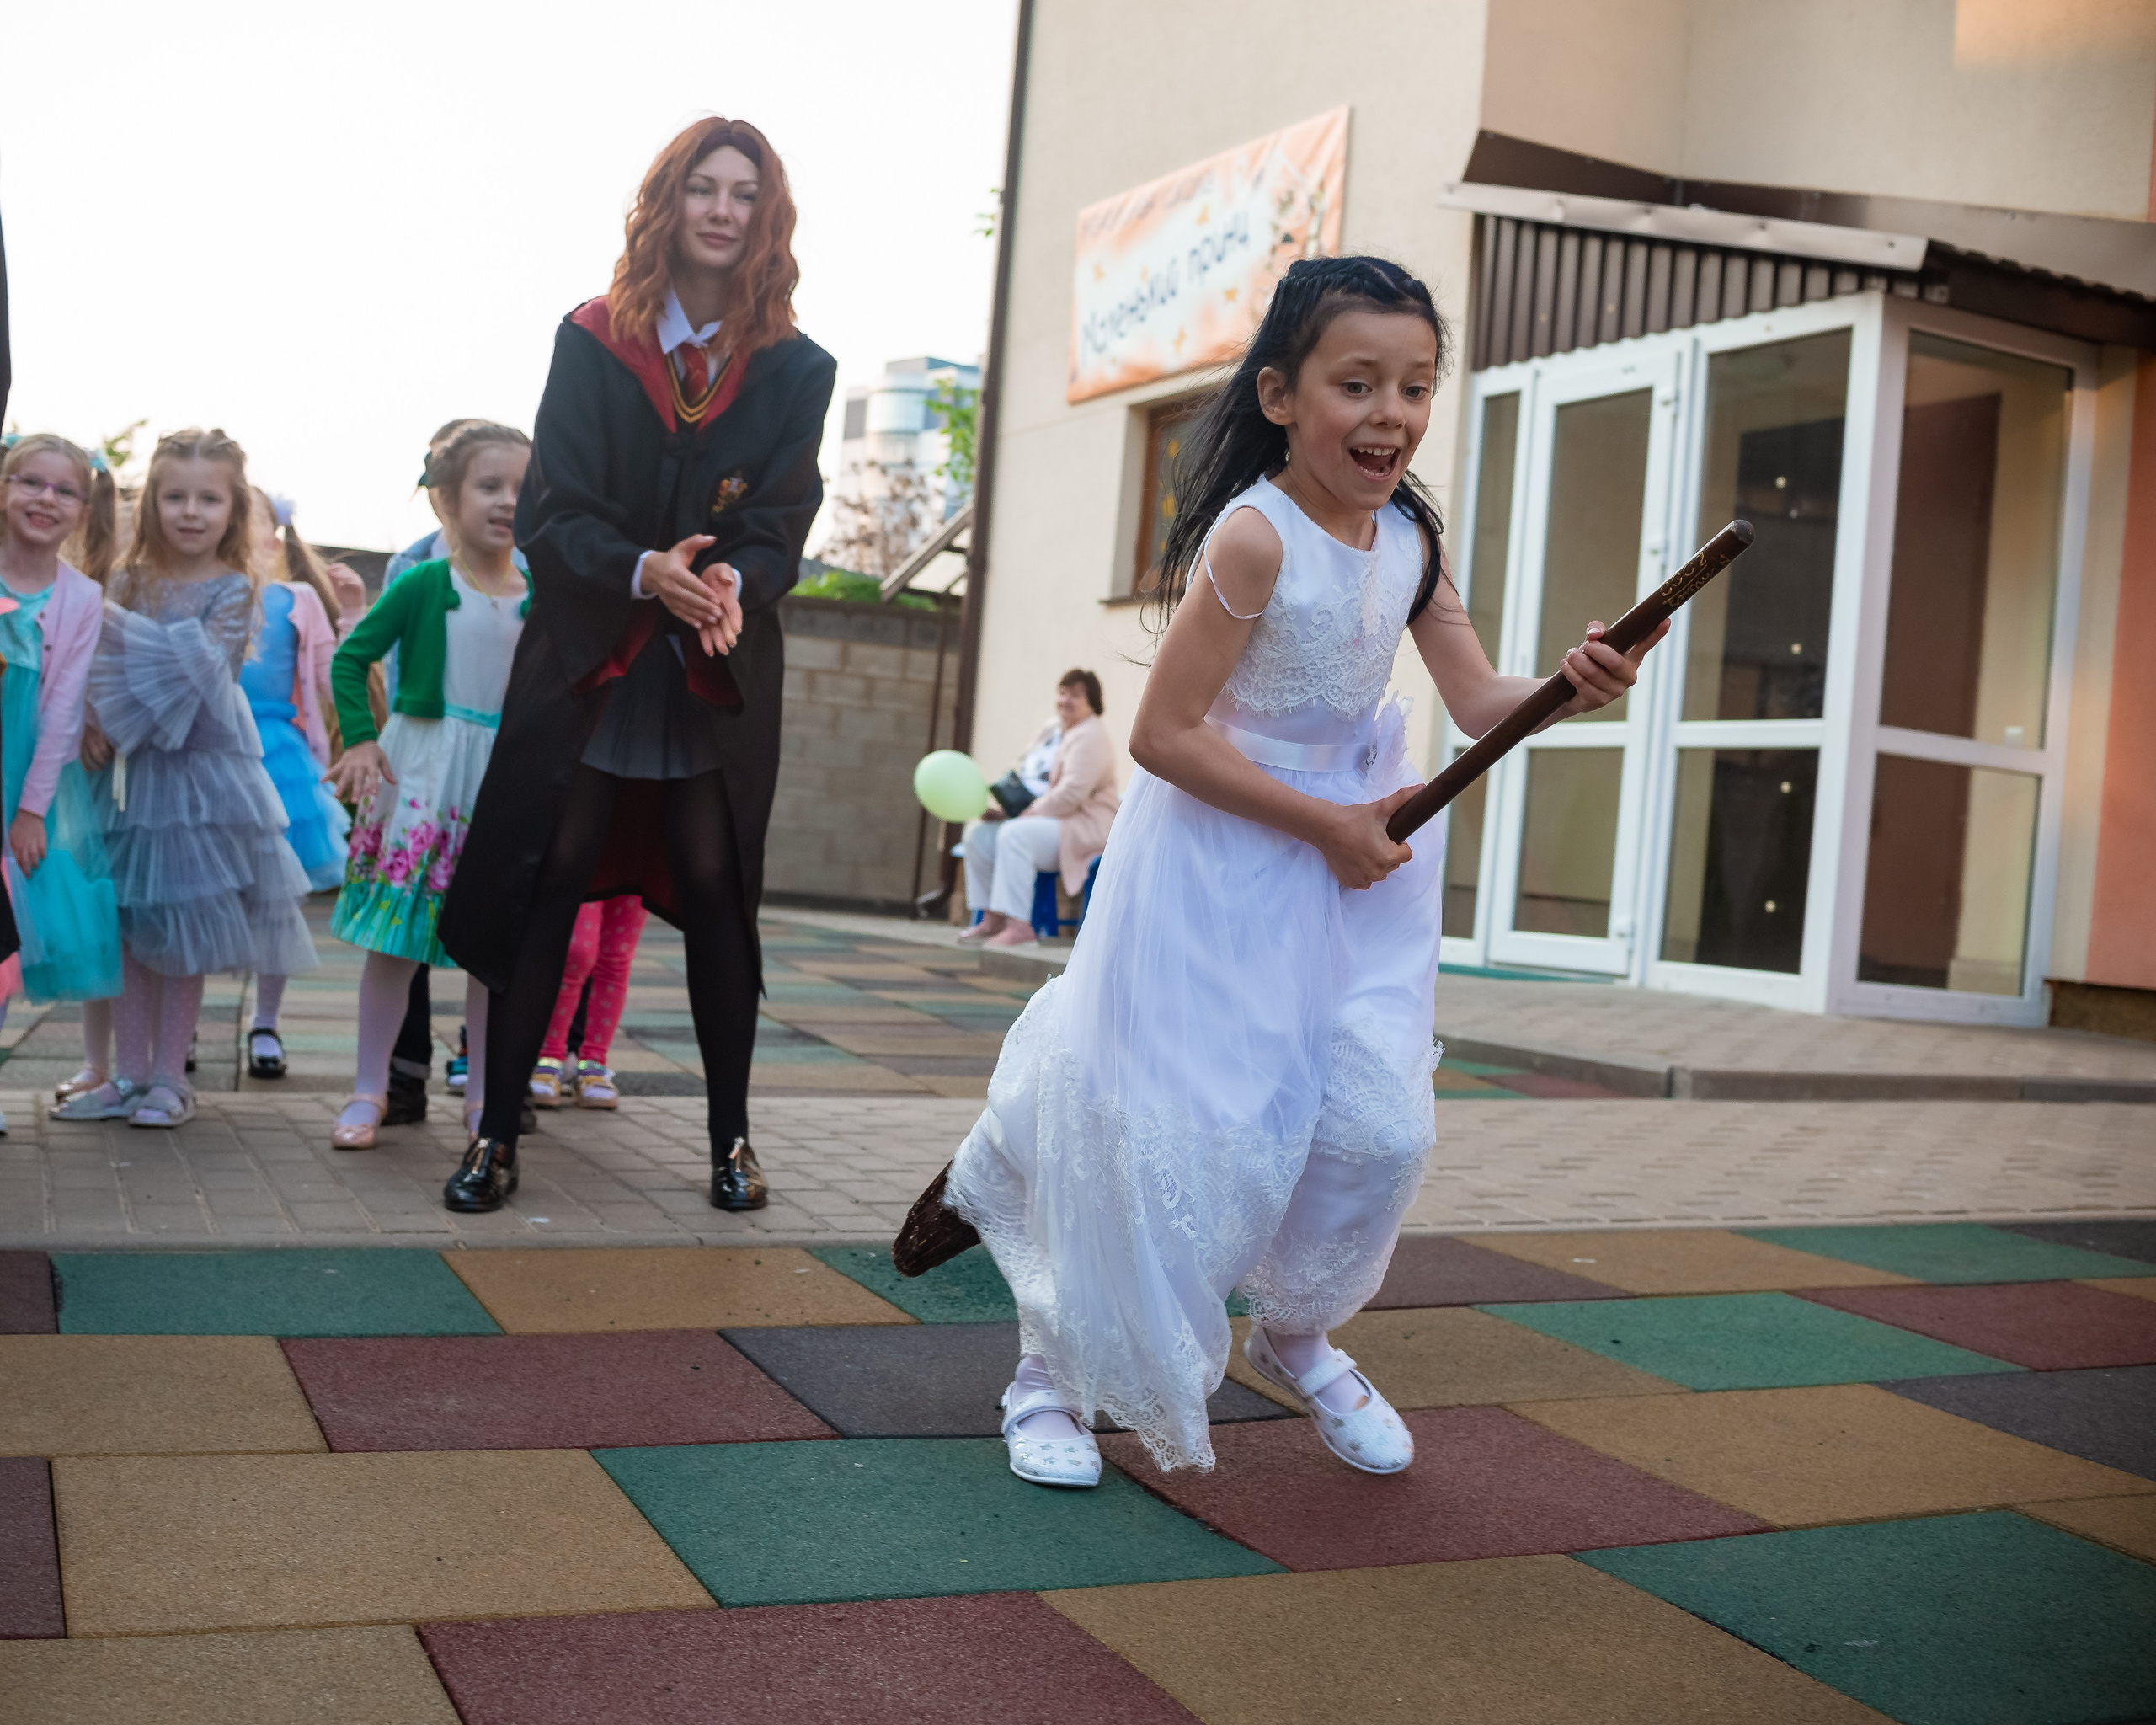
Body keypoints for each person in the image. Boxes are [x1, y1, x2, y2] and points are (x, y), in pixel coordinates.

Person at [929, 256, 1666, 1487]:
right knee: (1181, 1130)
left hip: (1357, 871)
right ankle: (1047, 1380)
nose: (1392, 414)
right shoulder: (1257, 537)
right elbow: (1165, 736)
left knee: (1377, 1127)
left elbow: (1482, 698)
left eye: (1418, 387)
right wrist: (1323, 824)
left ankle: (1298, 1331)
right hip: (1222, 864)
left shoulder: (1412, 537)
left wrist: (1571, 685)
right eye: (1358, 383)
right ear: (1281, 394)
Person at [439, 116, 835, 1215]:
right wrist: (645, 570)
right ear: (668, 204)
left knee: (717, 891)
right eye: (702, 187)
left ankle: (733, 1142)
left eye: (743, 192)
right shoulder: (592, 338)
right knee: (545, 882)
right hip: (593, 652)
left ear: (767, 215)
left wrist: (730, 586)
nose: (721, 208)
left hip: (711, 661)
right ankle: (494, 1138)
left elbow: (782, 521)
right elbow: (552, 511)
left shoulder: (796, 367)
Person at [57, 429, 318, 1129]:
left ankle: (172, 1079)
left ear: (234, 511)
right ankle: (127, 1076)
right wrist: (91, 716)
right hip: (125, 777)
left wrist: (117, 683)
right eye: (175, 496)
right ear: (152, 505)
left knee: (184, 927)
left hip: (198, 781)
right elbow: (94, 662)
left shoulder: (235, 590)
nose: (191, 511)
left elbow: (196, 674)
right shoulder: (124, 580)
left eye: (209, 498)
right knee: (130, 929)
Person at [323, 421, 531, 1150]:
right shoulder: (420, 582)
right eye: (490, 486)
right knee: (395, 943)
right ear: (446, 498)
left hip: (497, 780)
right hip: (420, 774)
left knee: (488, 948)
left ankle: (481, 1099)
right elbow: (352, 660)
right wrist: (362, 737)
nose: (508, 501)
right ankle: (368, 1090)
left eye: (522, 488)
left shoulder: (541, 591)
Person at [0, 436, 122, 1133]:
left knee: (8, 935)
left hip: (24, 778)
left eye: (63, 490)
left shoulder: (81, 598)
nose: (45, 499)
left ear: (83, 508)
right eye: (30, 483)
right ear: (5, 487)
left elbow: (62, 708)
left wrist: (31, 810)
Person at [239, 490, 364, 1079]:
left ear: (273, 533)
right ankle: (182, 1026)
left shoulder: (299, 598)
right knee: (203, 892)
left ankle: (265, 1021)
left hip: (281, 760)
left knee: (276, 901)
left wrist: (352, 612)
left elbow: (328, 673)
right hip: (214, 756)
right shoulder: (194, 591)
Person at [958, 668, 1118, 950]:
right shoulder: (1051, 729)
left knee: (1014, 834)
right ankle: (990, 918)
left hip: (1082, 826)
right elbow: (1025, 770)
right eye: (1063, 692)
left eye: (1076, 695)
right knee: (979, 834)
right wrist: (1006, 808)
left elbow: (1071, 794)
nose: (1066, 700)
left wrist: (1024, 815)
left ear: (1092, 702)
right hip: (1042, 818)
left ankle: (1020, 927)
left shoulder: (1092, 736)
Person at [530, 895, 648, 1108]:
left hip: (641, 863)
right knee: (576, 953)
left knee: (616, 955)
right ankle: (550, 1057)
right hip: (587, 863)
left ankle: (593, 1063)